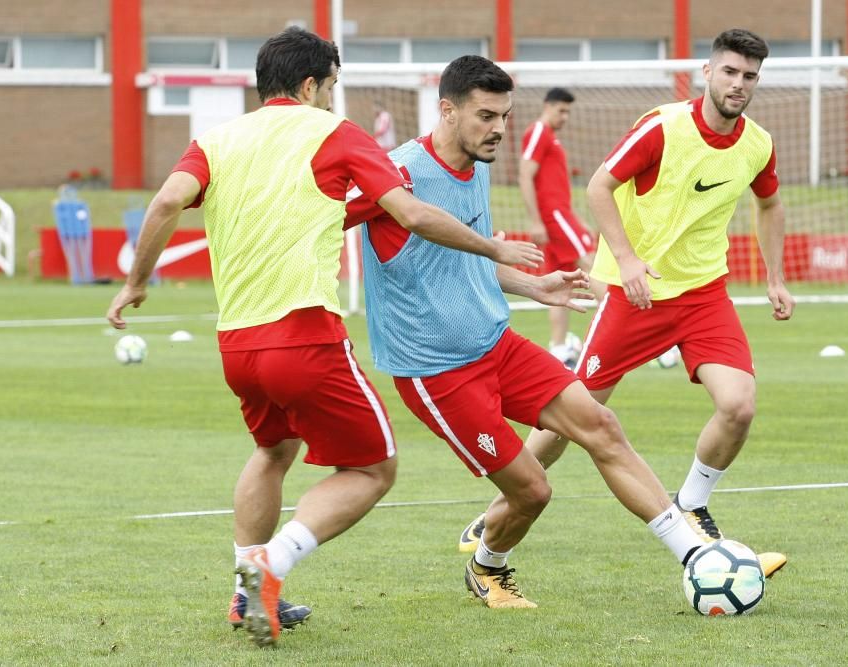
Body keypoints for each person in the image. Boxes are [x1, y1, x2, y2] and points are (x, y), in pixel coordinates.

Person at [106, 28, 540, 648]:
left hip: (236, 345)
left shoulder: (217, 140)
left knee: (273, 451)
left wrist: (136, 283)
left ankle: (242, 590)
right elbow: (412, 211)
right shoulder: (334, 134)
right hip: (304, 337)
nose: (333, 98)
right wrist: (495, 247)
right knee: (371, 469)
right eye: (332, 86)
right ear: (311, 85)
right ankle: (269, 566)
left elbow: (166, 202)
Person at [346, 55, 709, 610]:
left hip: (498, 344)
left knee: (601, 425)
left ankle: (695, 558)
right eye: (486, 115)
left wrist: (533, 287)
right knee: (533, 491)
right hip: (436, 371)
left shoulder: (479, 164)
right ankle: (490, 564)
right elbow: (319, 217)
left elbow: (463, 260)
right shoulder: (393, 173)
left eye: (506, 116)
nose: (499, 129)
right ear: (447, 110)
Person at [458, 29, 794, 578]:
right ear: (707, 73)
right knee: (573, 416)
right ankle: (494, 513)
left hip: (704, 293)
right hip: (631, 294)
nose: (739, 84)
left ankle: (692, 502)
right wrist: (628, 261)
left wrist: (775, 278)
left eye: (750, 75)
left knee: (739, 405)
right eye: (729, 72)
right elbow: (597, 186)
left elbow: (771, 202)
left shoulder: (757, 143)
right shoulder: (664, 126)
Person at [518, 87, 602, 368]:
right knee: (593, 268)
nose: (565, 117)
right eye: (561, 110)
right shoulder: (539, 132)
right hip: (554, 218)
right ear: (548, 106)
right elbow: (525, 174)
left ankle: (558, 347)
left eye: (568, 112)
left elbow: (555, 185)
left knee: (561, 284)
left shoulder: (550, 137)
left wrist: (576, 218)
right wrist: (535, 220)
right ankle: (627, 329)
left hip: (561, 216)